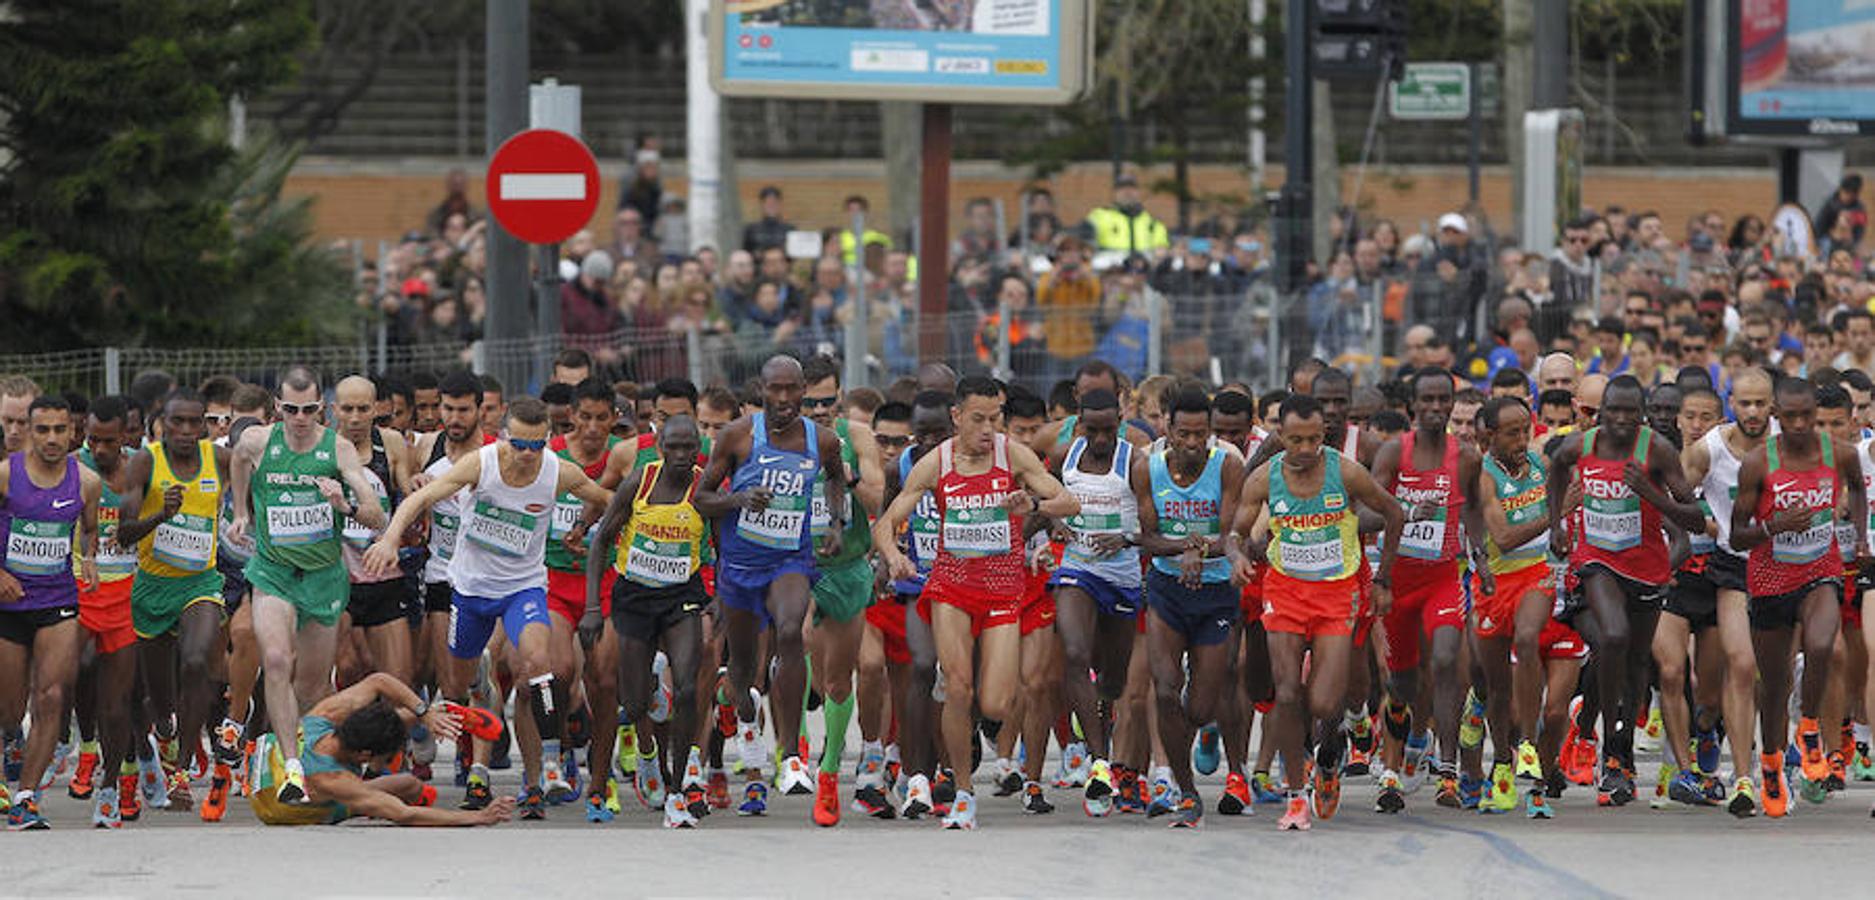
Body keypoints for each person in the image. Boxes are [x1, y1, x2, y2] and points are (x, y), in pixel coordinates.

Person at [364, 397, 612, 818]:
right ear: (504, 438)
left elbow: (608, 498)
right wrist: (389, 539)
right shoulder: (482, 464)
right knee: (459, 686)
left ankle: (550, 766)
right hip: (472, 589)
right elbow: (419, 500)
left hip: (524, 587)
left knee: (537, 663)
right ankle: (481, 681)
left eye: (537, 446)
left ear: (548, 441)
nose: (527, 455)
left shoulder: (557, 471)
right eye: (519, 445)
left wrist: (589, 525)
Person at [873, 376, 1080, 829]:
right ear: (957, 417)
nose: (989, 428)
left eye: (996, 418)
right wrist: (894, 558)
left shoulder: (1014, 456)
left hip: (1005, 589)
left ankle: (971, 715)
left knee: (997, 704)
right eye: (979, 419)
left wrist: (1035, 507)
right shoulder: (937, 463)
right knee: (960, 686)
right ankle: (964, 791)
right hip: (950, 586)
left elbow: (1070, 502)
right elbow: (886, 523)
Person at [1234, 392, 1402, 831]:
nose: (1306, 450)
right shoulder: (1264, 479)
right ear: (1280, 437)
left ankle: (1330, 751)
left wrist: (1383, 578)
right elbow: (1232, 531)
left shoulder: (1344, 472)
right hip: (1285, 591)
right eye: (1295, 441)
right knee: (1286, 693)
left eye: (1313, 440)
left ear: (1324, 435)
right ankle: (1295, 794)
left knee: (1326, 701)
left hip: (1335, 594)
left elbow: (1394, 512)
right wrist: (1236, 556)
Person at [693, 356, 851, 817]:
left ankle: (792, 753)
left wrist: (836, 523)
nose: (783, 400)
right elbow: (703, 498)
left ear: (804, 391)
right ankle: (739, 712)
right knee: (745, 671)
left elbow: (837, 478)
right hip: (740, 567)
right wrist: (739, 499)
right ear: (761, 389)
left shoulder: (820, 440)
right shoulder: (737, 436)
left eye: (792, 391)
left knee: (789, 632)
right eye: (774, 390)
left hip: (790, 559)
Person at [226, 369, 390, 808]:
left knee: (312, 687)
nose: (300, 418)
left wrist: (346, 504)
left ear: (322, 408)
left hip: (323, 579)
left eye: (310, 410)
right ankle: (292, 768)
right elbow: (238, 459)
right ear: (278, 407)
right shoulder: (259, 441)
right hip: (274, 572)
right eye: (291, 409)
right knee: (277, 659)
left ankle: (305, 760)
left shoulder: (336, 449)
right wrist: (241, 511)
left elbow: (377, 517)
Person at [1546, 375, 1706, 808]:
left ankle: (1620, 755)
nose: (1619, 419)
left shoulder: (1656, 450)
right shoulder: (1583, 445)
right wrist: (1557, 523)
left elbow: (1693, 519)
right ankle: (1606, 744)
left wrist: (1651, 494)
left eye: (1628, 412)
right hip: (1595, 560)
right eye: (1611, 410)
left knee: (1637, 662)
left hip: (1647, 569)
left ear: (1643, 413)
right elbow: (1556, 466)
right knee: (1612, 635)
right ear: (1600, 413)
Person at [1730, 375, 1867, 818]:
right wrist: (1775, 526)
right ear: (1776, 417)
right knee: (1773, 687)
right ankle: (1770, 763)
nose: (1800, 424)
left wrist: (1861, 536)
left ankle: (1809, 728)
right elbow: (1736, 535)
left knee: (1825, 643)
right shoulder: (1758, 463)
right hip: (1771, 579)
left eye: (1807, 416)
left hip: (1820, 569)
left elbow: (1860, 491)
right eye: (1789, 417)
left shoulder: (1838, 454)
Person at [1369, 369, 1489, 812]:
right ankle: (1398, 754)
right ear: (1413, 407)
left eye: (1444, 400)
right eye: (1429, 401)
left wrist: (1480, 555)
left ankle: (1448, 772)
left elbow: (1473, 511)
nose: (1437, 409)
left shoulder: (1467, 457)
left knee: (1444, 662)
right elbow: (1368, 510)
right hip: (1399, 580)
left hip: (1443, 577)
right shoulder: (1392, 452)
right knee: (1400, 681)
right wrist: (1405, 511)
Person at [582, 416, 710, 828]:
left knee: (689, 686)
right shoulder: (639, 481)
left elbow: (726, 548)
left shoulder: (703, 486)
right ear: (659, 446)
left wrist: (722, 597)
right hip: (634, 598)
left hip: (681, 598)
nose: (680, 455)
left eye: (687, 448)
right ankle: (649, 753)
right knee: (634, 703)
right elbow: (601, 540)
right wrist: (591, 608)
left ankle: (677, 793)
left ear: (697, 449)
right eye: (672, 447)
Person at [115, 389, 233, 812]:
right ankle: (164, 731)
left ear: (204, 424)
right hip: (151, 588)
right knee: (160, 703)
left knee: (198, 660)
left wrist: (246, 521)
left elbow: (255, 485)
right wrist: (159, 516)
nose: (184, 430)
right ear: (160, 423)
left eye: (193, 422)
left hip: (200, 582)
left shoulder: (218, 460)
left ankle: (182, 770)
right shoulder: (146, 462)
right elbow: (122, 533)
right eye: (175, 422)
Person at [0, 396, 100, 829]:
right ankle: (10, 737)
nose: (52, 439)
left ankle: (26, 797)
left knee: (53, 696)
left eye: (61, 430)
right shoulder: (6, 476)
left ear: (73, 432)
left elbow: (91, 528)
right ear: (28, 431)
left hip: (58, 600)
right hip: (9, 603)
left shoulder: (86, 482)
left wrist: (90, 559)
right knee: (10, 707)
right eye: (43, 430)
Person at [1679, 367, 1774, 816]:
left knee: (1776, 679)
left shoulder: (1790, 443)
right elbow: (1674, 491)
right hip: (1733, 568)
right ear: (1731, 403)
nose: (1752, 412)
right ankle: (1743, 778)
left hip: (1789, 568)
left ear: (1772, 405)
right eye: (1744, 403)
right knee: (1741, 663)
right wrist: (1704, 519)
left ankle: (1775, 761)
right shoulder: (1711, 448)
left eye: (1760, 403)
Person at [1044, 388, 1141, 816]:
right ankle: (1100, 762)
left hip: (1122, 576)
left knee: (1113, 681)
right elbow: (1043, 503)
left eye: (1109, 430)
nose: (1101, 439)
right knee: (1075, 651)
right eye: (1093, 430)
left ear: (1119, 423)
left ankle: (1103, 725)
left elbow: (1151, 521)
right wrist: (1052, 524)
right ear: (1079, 423)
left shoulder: (1135, 461)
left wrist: (1127, 537)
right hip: (1078, 569)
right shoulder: (1064, 456)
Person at [797, 355, 885, 825]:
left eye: (826, 401)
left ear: (840, 397)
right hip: (797, 563)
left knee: (836, 679)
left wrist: (845, 476)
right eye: (807, 402)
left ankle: (829, 771)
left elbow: (877, 498)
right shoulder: (779, 437)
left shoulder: (858, 436)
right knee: (800, 639)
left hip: (847, 565)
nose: (816, 411)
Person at [249, 672, 513, 826]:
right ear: (365, 756)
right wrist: (479, 817)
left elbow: (378, 681)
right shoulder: (336, 781)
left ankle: (437, 714)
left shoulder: (322, 718)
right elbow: (404, 814)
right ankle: (436, 715)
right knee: (409, 786)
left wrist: (424, 711)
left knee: (407, 784)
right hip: (278, 806)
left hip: (273, 771)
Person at [1471, 396, 1561, 815]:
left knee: (1527, 640)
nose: (1522, 439)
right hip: (1493, 583)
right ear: (1489, 435)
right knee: (1495, 688)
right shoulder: (1483, 475)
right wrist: (1557, 513)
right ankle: (1503, 765)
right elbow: (1504, 538)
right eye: (1512, 432)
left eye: (1526, 429)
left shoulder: (1539, 463)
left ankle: (1528, 745)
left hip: (1535, 575)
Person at [1651, 385, 1731, 809]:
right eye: (1690, 416)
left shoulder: (1725, 466)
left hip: (1717, 581)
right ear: (1678, 420)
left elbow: (1730, 527)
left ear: (1719, 422)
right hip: (1674, 579)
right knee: (1669, 672)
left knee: (1710, 693)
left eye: (1706, 417)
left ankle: (1706, 730)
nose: (1697, 424)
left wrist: (1709, 524)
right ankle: (1684, 774)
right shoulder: (1662, 466)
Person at [70, 397, 142, 826]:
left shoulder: (141, 467)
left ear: (126, 437)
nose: (98, 449)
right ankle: (86, 747)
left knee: (121, 701)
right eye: (92, 439)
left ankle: (117, 782)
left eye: (108, 441)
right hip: (82, 586)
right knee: (78, 670)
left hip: (131, 590)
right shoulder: (73, 467)